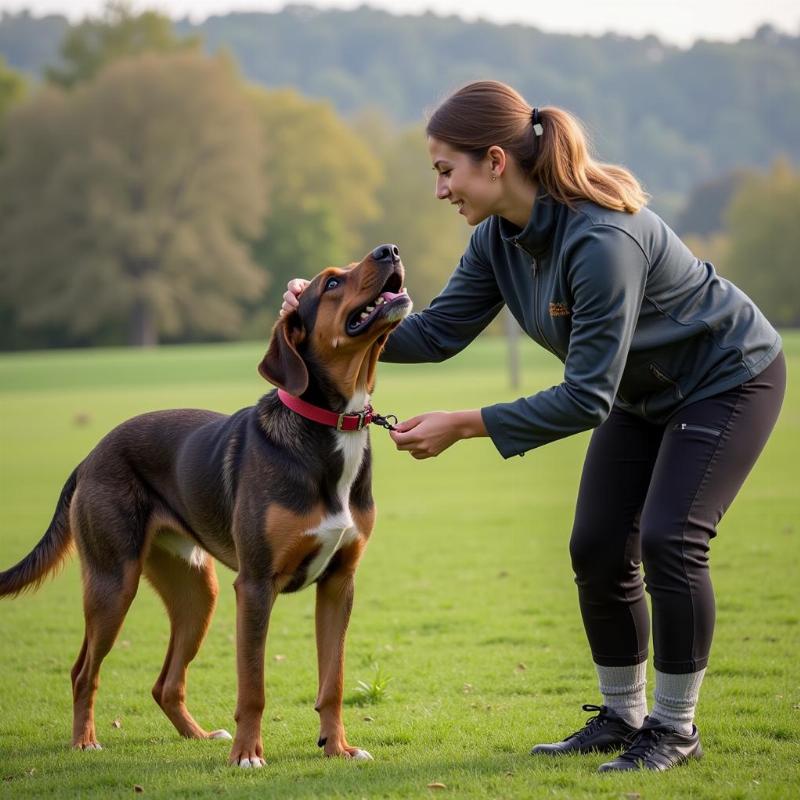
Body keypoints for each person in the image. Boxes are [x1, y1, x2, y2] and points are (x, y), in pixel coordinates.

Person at [280, 80, 786, 772]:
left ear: (494, 161)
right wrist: (328, 324)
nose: (440, 190)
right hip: (640, 396)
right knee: (597, 545)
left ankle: (674, 731)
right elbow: (436, 334)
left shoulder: (602, 242)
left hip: (728, 380)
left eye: (444, 171)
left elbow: (585, 398)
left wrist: (464, 424)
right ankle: (621, 717)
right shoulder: (498, 238)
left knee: (671, 539)